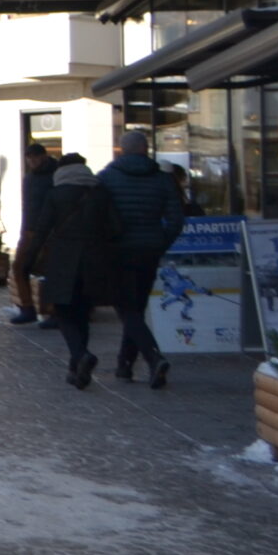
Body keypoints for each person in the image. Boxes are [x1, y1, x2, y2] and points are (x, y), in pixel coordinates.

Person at [16, 152, 120, 388]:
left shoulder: (56, 194)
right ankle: (77, 369)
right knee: (82, 312)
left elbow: (41, 230)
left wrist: (28, 260)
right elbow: (115, 229)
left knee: (63, 311)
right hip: (94, 260)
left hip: (63, 259)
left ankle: (81, 355)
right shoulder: (100, 193)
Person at [97, 129, 187, 388]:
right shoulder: (163, 180)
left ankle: (153, 357)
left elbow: (98, 216)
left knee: (126, 309)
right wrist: (160, 243)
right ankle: (124, 364)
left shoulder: (107, 178)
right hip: (149, 250)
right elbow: (176, 220)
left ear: (121, 150)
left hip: (118, 251)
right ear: (146, 150)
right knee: (135, 307)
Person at [8, 143, 56, 326]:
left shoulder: (55, 174)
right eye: (29, 157)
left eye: (35, 157)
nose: (32, 161)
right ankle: (27, 308)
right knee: (19, 268)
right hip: (29, 231)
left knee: (50, 271)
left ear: (44, 156)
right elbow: (28, 207)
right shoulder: (29, 178)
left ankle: (53, 311)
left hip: (50, 231)